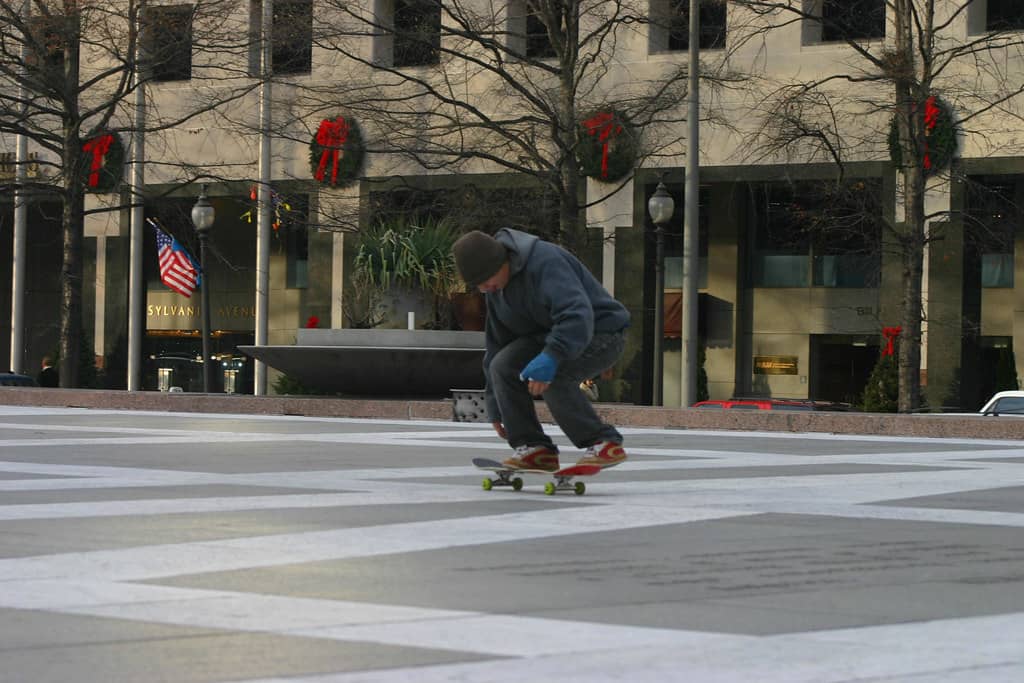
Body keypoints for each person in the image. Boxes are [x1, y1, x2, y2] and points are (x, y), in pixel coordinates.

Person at [452, 228, 630, 472]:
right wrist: (494, 403)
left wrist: (552, 356)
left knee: (555, 376)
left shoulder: (545, 262)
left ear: (503, 261)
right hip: (549, 337)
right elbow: (497, 345)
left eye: (487, 280)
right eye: (479, 286)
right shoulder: (496, 289)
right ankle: (534, 448)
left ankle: (604, 442)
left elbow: (577, 315)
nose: (486, 289)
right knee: (503, 365)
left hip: (601, 332)